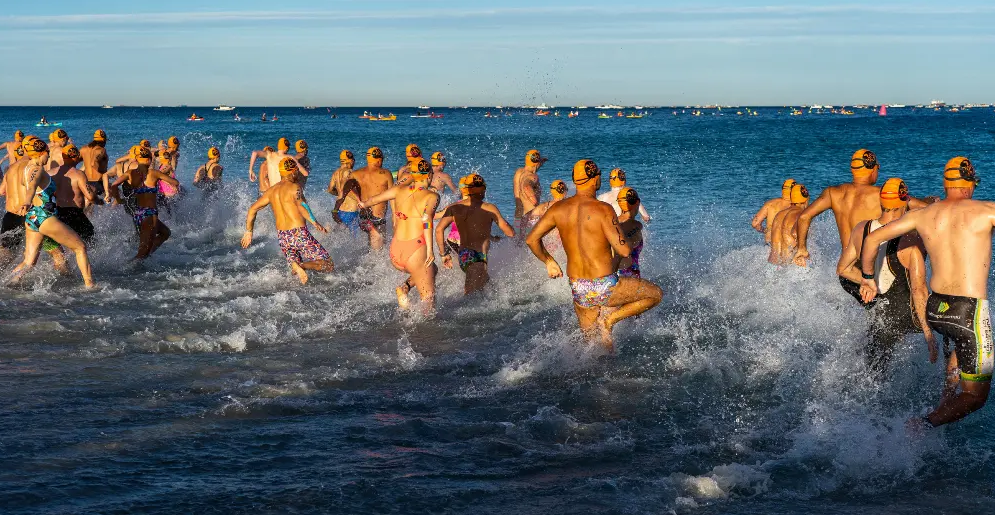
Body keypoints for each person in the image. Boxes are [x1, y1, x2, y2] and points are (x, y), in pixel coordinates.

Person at [859, 157, 993, 429]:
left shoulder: (921, 215)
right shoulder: (987, 211)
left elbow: (872, 239)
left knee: (958, 348)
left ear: (945, 184)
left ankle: (946, 400)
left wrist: (868, 279)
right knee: (976, 397)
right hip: (969, 313)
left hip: (936, 309)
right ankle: (922, 425)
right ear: (969, 184)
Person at [526, 159, 663, 352]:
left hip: (578, 287)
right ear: (595, 178)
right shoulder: (603, 209)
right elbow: (624, 250)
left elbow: (531, 239)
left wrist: (549, 261)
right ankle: (611, 319)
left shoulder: (558, 209)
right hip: (605, 285)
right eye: (599, 174)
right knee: (655, 294)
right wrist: (628, 230)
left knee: (591, 348)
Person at [837, 178, 931, 373]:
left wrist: (871, 284)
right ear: (904, 202)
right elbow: (919, 290)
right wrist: (929, 334)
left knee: (873, 370)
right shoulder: (910, 240)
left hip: (881, 309)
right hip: (905, 314)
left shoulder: (861, 228)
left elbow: (843, 269)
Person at [7, 138, 94, 288]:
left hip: (32, 217)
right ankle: (90, 285)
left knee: (28, 262)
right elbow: (32, 186)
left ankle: (9, 283)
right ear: (41, 153)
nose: (48, 156)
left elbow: (30, 185)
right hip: (45, 216)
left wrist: (29, 202)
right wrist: (27, 201)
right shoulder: (37, 169)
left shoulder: (26, 168)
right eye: (47, 153)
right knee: (80, 247)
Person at [359, 158, 439, 311]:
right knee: (429, 303)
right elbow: (427, 220)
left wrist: (363, 204)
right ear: (429, 175)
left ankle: (405, 287)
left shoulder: (398, 190)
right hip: (415, 251)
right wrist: (430, 250)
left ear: (412, 174)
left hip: (396, 251)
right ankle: (421, 325)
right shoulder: (432, 196)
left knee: (433, 269)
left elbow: (374, 199)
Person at [242, 157, 332, 285]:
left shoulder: (271, 191)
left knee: (296, 270)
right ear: (293, 171)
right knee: (328, 264)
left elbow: (252, 209)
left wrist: (249, 231)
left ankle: (298, 269)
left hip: (283, 237)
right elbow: (302, 206)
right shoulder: (295, 187)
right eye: (297, 171)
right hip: (298, 233)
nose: (298, 174)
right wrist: (314, 222)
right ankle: (302, 266)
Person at [435, 174, 515, 294]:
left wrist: (443, 254)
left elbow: (438, 230)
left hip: (464, 255)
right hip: (477, 256)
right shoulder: (489, 208)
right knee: (471, 294)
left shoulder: (455, 207)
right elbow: (510, 232)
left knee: (487, 287)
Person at [110, 146, 179, 260]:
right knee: (143, 251)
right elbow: (175, 182)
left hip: (138, 213)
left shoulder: (130, 173)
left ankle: (146, 256)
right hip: (150, 214)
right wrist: (169, 176)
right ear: (149, 160)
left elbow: (113, 185)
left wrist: (118, 199)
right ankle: (131, 266)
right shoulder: (154, 173)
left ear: (137, 159)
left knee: (165, 233)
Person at [51, 144, 96, 244]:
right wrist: (98, 200)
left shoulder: (51, 173)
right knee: (91, 241)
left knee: (67, 243)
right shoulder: (79, 174)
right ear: (77, 157)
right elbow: (90, 196)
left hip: (57, 213)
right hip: (75, 214)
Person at [352, 147, 394, 250]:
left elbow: (345, 190)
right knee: (379, 251)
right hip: (377, 218)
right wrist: (395, 215)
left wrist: (358, 200)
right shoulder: (386, 173)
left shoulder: (355, 174)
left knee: (370, 247)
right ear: (379, 160)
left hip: (363, 217)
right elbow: (392, 195)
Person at [768, 183, 810, 265]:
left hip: (772, 264)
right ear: (806, 200)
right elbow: (794, 233)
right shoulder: (801, 214)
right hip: (789, 264)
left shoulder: (779, 214)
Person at [751, 179, 796, 243]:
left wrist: (766, 231)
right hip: (788, 244)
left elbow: (755, 224)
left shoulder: (770, 204)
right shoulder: (796, 206)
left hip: (770, 243)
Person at [513, 149, 547, 234]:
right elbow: (527, 187)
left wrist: (542, 161)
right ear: (537, 164)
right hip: (532, 218)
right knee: (532, 239)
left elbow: (517, 197)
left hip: (518, 217)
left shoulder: (519, 172)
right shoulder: (532, 177)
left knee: (518, 240)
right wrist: (535, 203)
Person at [614, 188, 644, 278]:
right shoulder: (637, 225)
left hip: (613, 272)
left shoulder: (613, 222)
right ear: (637, 202)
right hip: (628, 273)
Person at [80, 129, 109, 205]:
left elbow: (75, 160)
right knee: (117, 193)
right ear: (104, 140)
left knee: (90, 203)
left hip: (86, 181)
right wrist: (101, 171)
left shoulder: (83, 149)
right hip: (99, 182)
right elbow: (93, 163)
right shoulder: (102, 150)